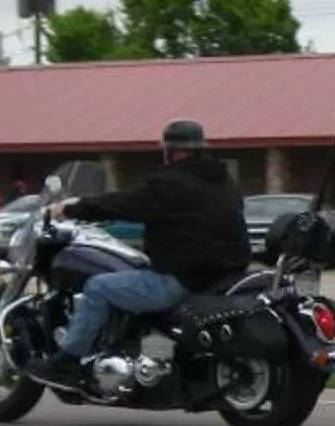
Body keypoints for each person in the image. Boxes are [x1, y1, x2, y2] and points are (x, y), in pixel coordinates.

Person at [32, 119, 252, 389]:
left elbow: (124, 203)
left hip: (181, 281)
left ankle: (66, 362)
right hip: (224, 278)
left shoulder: (170, 183)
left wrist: (72, 208)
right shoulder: (224, 182)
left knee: (97, 287)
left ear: (170, 151)